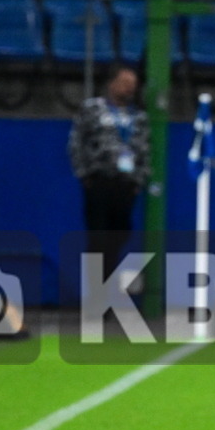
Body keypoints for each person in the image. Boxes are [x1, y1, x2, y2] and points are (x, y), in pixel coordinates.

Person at [67, 64, 150, 289]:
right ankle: (95, 292)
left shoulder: (139, 117)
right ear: (112, 83)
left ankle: (108, 286)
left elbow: (145, 150)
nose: (129, 88)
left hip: (125, 185)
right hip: (99, 181)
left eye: (133, 85)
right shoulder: (92, 109)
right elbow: (76, 142)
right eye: (124, 83)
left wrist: (138, 181)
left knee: (119, 236)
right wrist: (84, 175)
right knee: (98, 238)